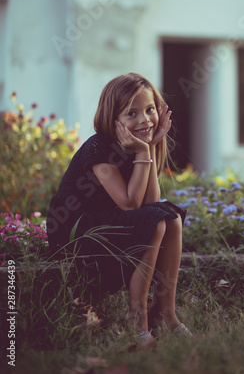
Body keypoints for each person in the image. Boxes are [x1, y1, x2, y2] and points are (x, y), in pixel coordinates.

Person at [46, 73, 191, 343]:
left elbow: (151, 203)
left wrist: (149, 147)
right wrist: (144, 151)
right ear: (113, 119)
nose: (145, 120)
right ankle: (137, 318)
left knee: (170, 217)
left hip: (108, 219)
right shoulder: (99, 147)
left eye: (149, 110)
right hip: (75, 228)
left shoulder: (138, 144)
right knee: (157, 220)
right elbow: (130, 203)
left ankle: (165, 313)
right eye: (132, 114)